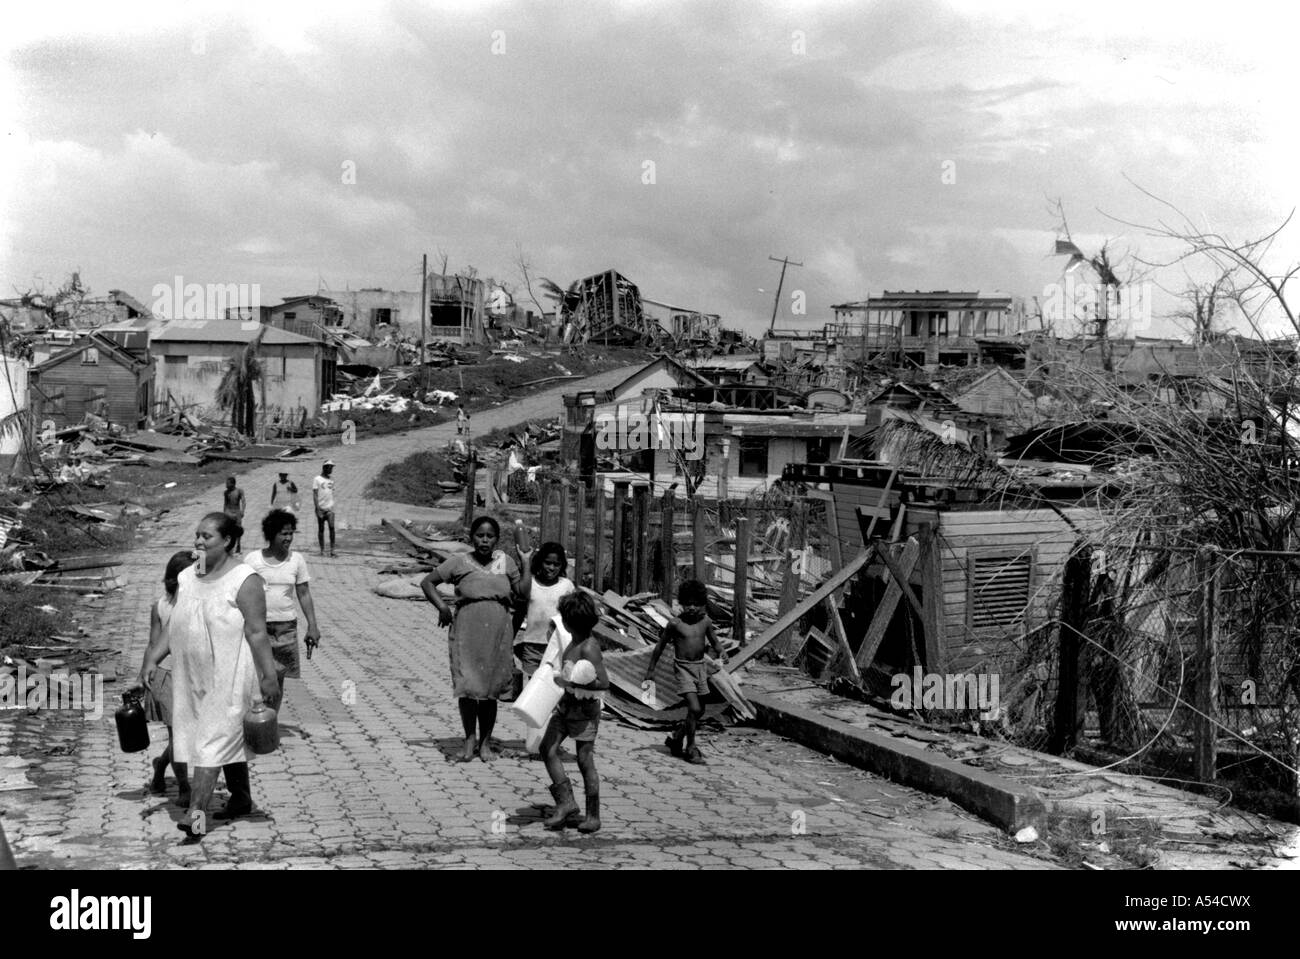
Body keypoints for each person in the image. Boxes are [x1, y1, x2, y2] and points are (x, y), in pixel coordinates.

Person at [163, 513, 280, 840]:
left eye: (207, 537)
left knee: (211, 743)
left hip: (230, 675)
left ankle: (196, 816)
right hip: (193, 677)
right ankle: (241, 799)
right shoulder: (191, 574)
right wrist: (152, 660)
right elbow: (179, 617)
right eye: (197, 535)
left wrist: (268, 676)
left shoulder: (245, 579)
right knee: (221, 737)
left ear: (227, 541)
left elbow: (257, 633)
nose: (198, 542)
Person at [420, 516, 529, 763]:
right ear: (472, 538)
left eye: (490, 536)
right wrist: (442, 608)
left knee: (490, 690)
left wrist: (526, 561)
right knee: (468, 687)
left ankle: (486, 743)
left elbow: (523, 593)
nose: (485, 540)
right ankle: (469, 740)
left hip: (498, 631)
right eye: (480, 535)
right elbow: (427, 583)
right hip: (467, 630)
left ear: (497, 540)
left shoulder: (506, 561)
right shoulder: (459, 562)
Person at [539, 592, 608, 833]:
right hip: (566, 705)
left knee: (584, 761)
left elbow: (604, 682)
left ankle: (593, 815)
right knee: (546, 748)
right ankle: (566, 803)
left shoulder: (589, 647)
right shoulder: (573, 641)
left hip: (584, 710)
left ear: (568, 622)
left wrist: (578, 683)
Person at [135, 551, 197, 806]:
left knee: (187, 736)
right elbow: (153, 645)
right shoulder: (161, 606)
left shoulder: (199, 602)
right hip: (167, 678)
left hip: (195, 676)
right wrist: (142, 675)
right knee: (178, 736)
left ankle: (161, 765)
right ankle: (184, 786)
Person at [244, 510, 321, 711]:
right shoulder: (252, 560)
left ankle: (269, 724)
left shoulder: (297, 560)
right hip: (256, 627)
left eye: (290, 533)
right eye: (283, 534)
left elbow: (304, 593)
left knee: (277, 679)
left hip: (285, 628)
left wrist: (312, 626)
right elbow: (240, 592)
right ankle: (251, 721)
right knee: (255, 676)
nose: (288, 538)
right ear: (271, 534)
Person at [644, 578, 725, 765]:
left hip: (700, 668)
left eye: (696, 604)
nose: (692, 608)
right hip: (683, 669)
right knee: (694, 707)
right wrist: (650, 670)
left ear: (703, 604)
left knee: (700, 710)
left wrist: (722, 651)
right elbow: (659, 647)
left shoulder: (705, 622)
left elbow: (714, 642)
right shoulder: (675, 624)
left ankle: (677, 737)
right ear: (681, 603)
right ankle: (691, 747)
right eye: (688, 603)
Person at [514, 541, 575, 756]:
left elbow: (572, 616)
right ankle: (534, 742)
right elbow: (520, 612)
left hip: (557, 649)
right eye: (547, 563)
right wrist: (509, 640)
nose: (551, 568)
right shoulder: (530, 584)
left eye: (556, 564)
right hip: (533, 646)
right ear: (539, 563)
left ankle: (550, 741)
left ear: (562, 566)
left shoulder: (566, 586)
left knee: (556, 695)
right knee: (535, 694)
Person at [312, 460, 337, 557]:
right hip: (321, 508)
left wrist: (332, 505)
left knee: (332, 528)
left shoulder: (332, 479)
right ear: (324, 467)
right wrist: (317, 508)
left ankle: (332, 550)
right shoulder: (317, 479)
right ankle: (322, 550)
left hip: (330, 508)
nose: (331, 469)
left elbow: (331, 493)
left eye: (332, 467)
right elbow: (315, 494)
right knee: (321, 529)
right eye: (330, 467)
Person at [222, 477, 246, 553]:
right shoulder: (226, 492)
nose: (226, 485)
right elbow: (225, 503)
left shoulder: (239, 491)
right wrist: (224, 513)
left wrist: (243, 511)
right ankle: (230, 545)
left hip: (237, 512)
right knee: (228, 530)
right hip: (228, 512)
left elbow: (243, 501)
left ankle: (238, 544)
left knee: (238, 529)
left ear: (232, 483)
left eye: (227, 483)